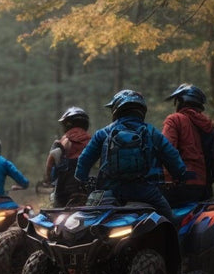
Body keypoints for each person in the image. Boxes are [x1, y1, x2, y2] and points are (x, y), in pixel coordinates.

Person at [74, 89, 187, 221]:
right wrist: (180, 176)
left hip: (109, 192)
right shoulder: (152, 133)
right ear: (141, 110)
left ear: (117, 109)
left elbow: (84, 160)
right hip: (145, 192)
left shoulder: (103, 133)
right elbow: (173, 158)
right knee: (170, 221)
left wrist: (81, 179)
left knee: (91, 222)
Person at [162, 83, 214, 205]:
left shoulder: (174, 119)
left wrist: (166, 180)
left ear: (181, 101)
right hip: (205, 187)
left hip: (180, 186)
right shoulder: (209, 126)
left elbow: (166, 152)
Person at [43, 106, 92, 206]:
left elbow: (52, 158)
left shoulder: (64, 140)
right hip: (89, 186)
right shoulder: (92, 139)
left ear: (67, 124)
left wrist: (47, 178)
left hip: (65, 188)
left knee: (56, 211)